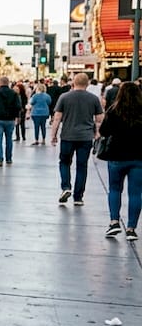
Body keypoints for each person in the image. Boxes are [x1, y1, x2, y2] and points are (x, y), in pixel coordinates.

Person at [51, 73, 104, 206]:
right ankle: (78, 197)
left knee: (64, 162)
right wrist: (97, 133)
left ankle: (66, 187)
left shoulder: (64, 97)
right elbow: (99, 120)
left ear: (73, 83)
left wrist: (53, 135)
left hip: (68, 136)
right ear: (87, 84)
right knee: (82, 166)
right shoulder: (93, 99)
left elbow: (57, 118)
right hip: (86, 137)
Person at [100, 81, 142, 241]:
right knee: (136, 193)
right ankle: (131, 228)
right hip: (138, 157)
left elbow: (104, 131)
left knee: (115, 189)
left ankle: (114, 222)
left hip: (116, 156)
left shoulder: (114, 110)